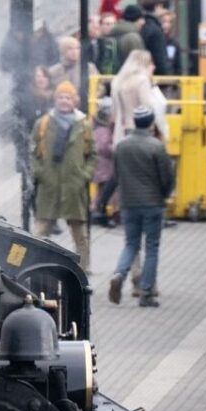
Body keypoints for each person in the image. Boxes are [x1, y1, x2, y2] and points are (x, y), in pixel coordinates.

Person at [109, 106, 174, 308]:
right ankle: (146, 292)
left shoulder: (121, 146)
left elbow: (117, 175)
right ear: (151, 123)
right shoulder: (156, 146)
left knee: (131, 244)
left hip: (129, 203)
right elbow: (167, 177)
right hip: (152, 203)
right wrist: (164, 195)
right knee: (152, 247)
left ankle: (119, 273)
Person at [32, 82, 96, 270]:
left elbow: (92, 154)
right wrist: (39, 172)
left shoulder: (83, 124)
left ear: (74, 100)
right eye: (61, 97)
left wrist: (85, 174)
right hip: (49, 185)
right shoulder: (43, 123)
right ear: (55, 99)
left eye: (68, 97)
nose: (64, 101)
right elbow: (33, 152)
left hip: (74, 186)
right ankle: (34, 266)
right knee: (40, 231)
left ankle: (84, 270)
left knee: (80, 234)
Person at [111, 50, 170, 147]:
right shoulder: (142, 80)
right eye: (150, 63)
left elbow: (114, 110)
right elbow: (148, 107)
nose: (153, 67)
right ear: (143, 64)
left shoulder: (118, 81)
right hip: (140, 131)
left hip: (121, 130)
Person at [90, 103, 117, 226]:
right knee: (103, 191)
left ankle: (97, 211)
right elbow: (103, 147)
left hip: (102, 165)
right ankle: (98, 212)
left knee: (102, 190)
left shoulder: (100, 128)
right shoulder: (103, 130)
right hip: (103, 165)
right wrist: (116, 149)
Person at [137, 0, 171, 76]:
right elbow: (160, 60)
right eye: (161, 7)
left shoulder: (140, 25)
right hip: (153, 78)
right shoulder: (156, 30)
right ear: (156, 7)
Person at [110, 5, 145, 72]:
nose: (143, 22)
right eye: (141, 18)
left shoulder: (112, 33)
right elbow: (139, 63)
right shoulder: (133, 38)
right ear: (135, 19)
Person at [158, 9, 181, 76]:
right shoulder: (155, 41)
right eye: (164, 21)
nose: (167, 25)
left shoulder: (174, 43)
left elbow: (177, 66)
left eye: (169, 22)